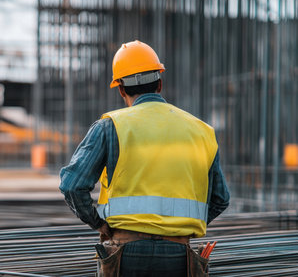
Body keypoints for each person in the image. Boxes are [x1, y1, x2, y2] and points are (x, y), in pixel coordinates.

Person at [59, 40, 230, 276]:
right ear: (159, 84)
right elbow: (220, 199)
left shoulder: (110, 127)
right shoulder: (202, 131)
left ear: (120, 89)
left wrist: (99, 224)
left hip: (125, 253)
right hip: (179, 256)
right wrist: (181, 227)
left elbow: (72, 185)